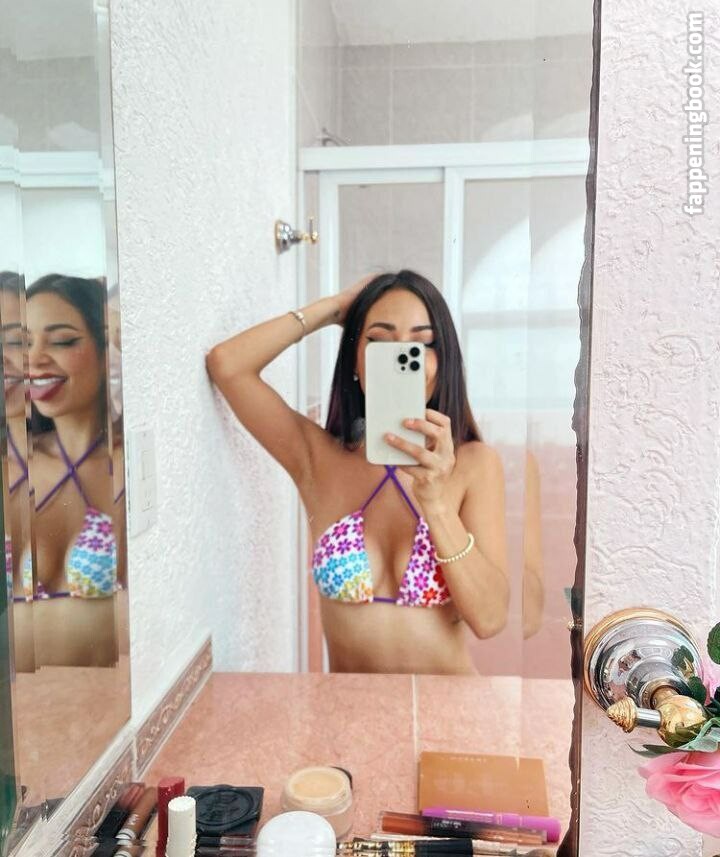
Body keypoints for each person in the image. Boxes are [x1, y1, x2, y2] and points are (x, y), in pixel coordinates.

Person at [207, 270, 509, 674]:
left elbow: (490, 619)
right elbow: (228, 365)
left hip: (449, 706)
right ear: (355, 361)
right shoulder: (318, 459)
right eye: (380, 342)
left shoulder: (474, 465)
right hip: (346, 708)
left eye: (421, 345)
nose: (401, 359)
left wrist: (437, 504)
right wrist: (333, 308)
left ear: (442, 362)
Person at [24, 274, 125, 667]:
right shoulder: (13, 463)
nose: (34, 359)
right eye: (23, 343)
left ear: (105, 349)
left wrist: (118, 323)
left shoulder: (129, 468)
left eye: (63, 341)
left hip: (99, 697)